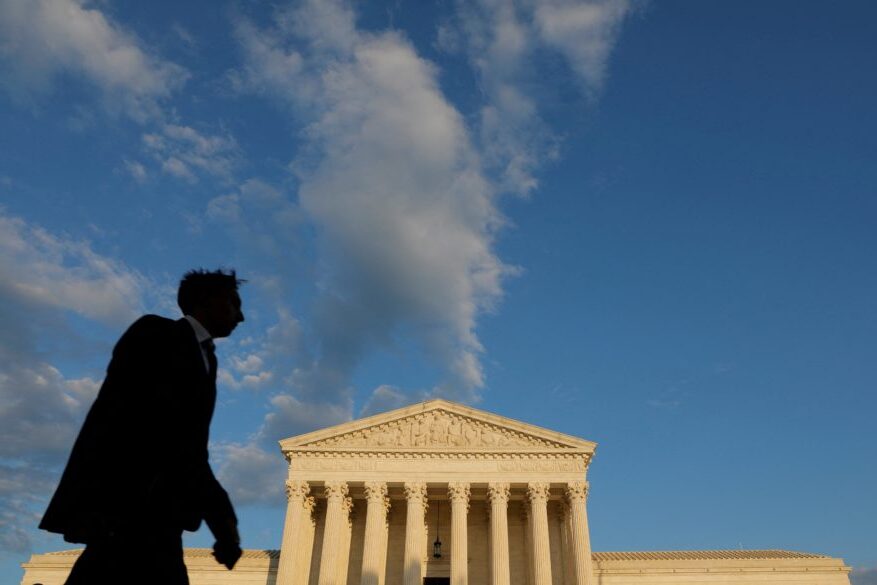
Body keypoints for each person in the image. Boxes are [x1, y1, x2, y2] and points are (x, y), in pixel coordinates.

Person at [40, 269, 246, 585]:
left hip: (158, 514)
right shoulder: (155, 333)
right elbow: (122, 417)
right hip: (128, 503)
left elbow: (190, 447)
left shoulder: (207, 359)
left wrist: (224, 526)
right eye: (234, 304)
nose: (240, 316)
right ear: (208, 302)